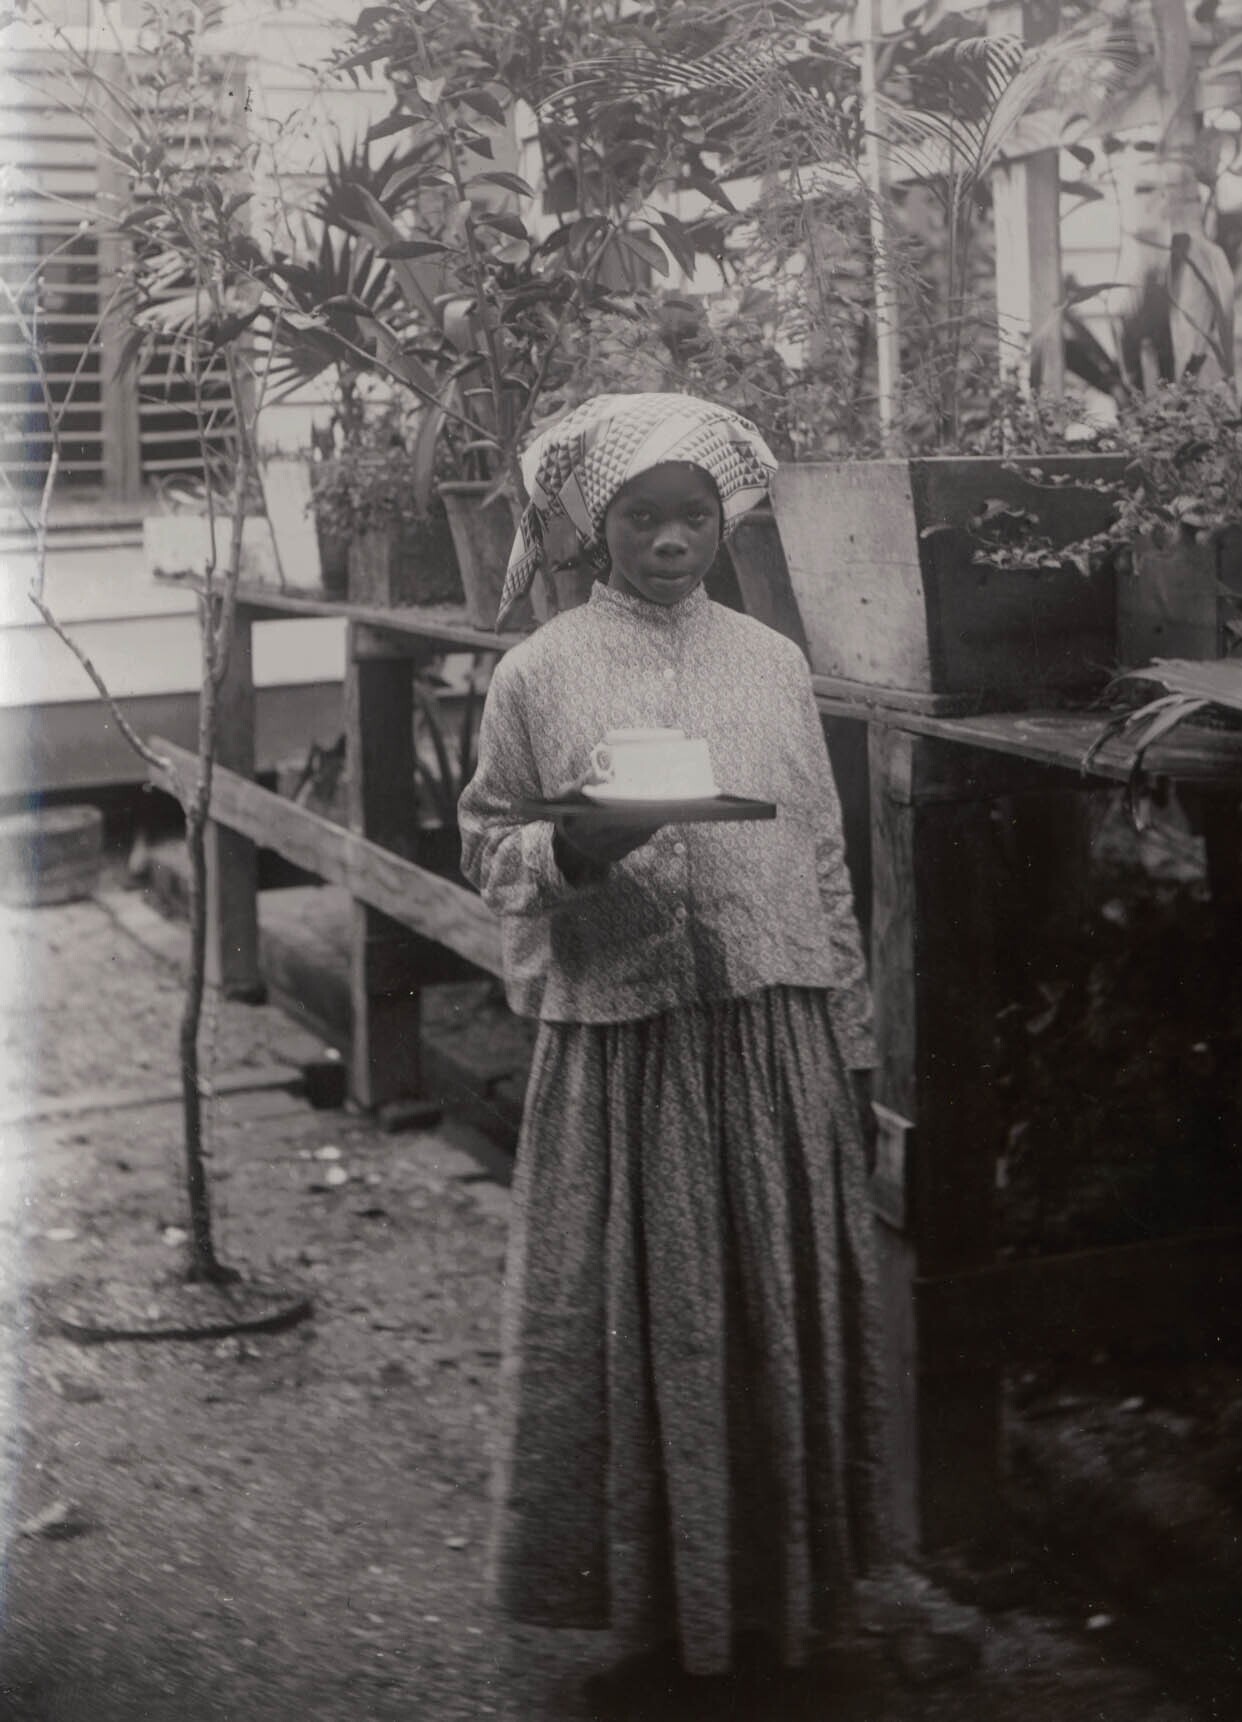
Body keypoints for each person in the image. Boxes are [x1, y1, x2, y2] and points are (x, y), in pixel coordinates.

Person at [458, 392, 889, 1713]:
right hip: (624, 1051)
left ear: (722, 522)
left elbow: (819, 850)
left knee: (767, 1322)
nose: (668, 541)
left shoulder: (770, 662)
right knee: (646, 1333)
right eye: (641, 518)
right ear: (597, 529)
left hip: (768, 1038)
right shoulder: (538, 674)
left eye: (691, 517)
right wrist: (573, 845)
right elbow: (487, 849)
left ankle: (776, 1619)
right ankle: (658, 1627)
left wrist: (850, 1030)